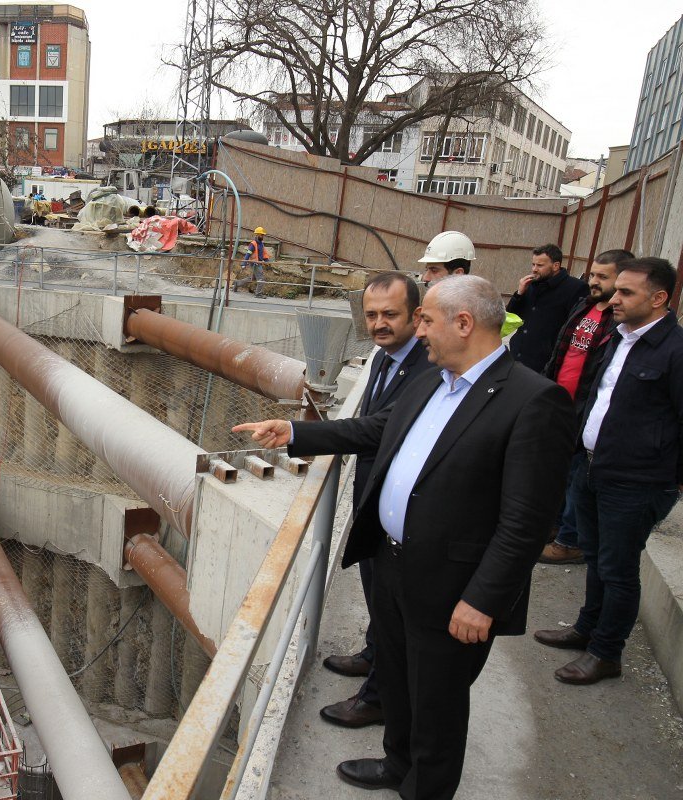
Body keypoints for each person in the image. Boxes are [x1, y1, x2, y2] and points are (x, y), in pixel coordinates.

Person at [233, 275, 575, 800]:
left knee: (437, 699)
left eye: (427, 320)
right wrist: (297, 433)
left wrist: (483, 600)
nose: (419, 330)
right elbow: (375, 429)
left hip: (454, 586)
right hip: (392, 563)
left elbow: (527, 520)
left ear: (464, 324)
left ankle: (425, 788)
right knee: (396, 672)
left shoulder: (533, 400)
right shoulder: (433, 378)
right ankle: (397, 763)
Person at [534, 257, 683, 685]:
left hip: (636, 482)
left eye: (626, 293)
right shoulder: (617, 339)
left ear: (659, 299)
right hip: (591, 467)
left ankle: (606, 653)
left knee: (618, 569)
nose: (614, 299)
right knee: (596, 557)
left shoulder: (675, 351)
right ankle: (586, 629)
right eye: (616, 290)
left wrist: (668, 481)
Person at [320, 272, 432, 730]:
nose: (379, 324)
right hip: (376, 499)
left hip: (399, 508)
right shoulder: (385, 356)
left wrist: (297, 434)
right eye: (371, 315)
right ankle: (374, 653)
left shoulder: (425, 364)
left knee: (393, 606)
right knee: (377, 596)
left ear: (416, 316)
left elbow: (380, 427)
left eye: (390, 314)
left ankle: (379, 698)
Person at [538, 249, 632, 565]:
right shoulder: (585, 306)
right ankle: (554, 526)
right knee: (556, 473)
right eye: (592, 274)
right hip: (560, 403)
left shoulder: (620, 321)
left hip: (585, 410)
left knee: (578, 477)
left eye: (602, 277)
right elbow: (562, 353)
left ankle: (570, 540)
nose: (593, 281)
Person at [506, 244, 588, 371]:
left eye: (540, 265)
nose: (534, 269)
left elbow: (575, 328)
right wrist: (519, 294)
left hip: (544, 363)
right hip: (517, 356)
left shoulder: (575, 288)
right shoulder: (531, 284)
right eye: (533, 264)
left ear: (556, 266)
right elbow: (511, 314)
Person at [235, 226, 270, 297]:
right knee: (261, 278)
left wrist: (266, 260)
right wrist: (243, 263)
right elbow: (248, 254)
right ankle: (258, 294)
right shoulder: (253, 244)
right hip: (255, 264)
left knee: (252, 278)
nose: (263, 236)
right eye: (261, 234)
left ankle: (237, 283)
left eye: (263, 235)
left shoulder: (261, 243)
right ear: (257, 234)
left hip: (258, 263)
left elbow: (264, 253)